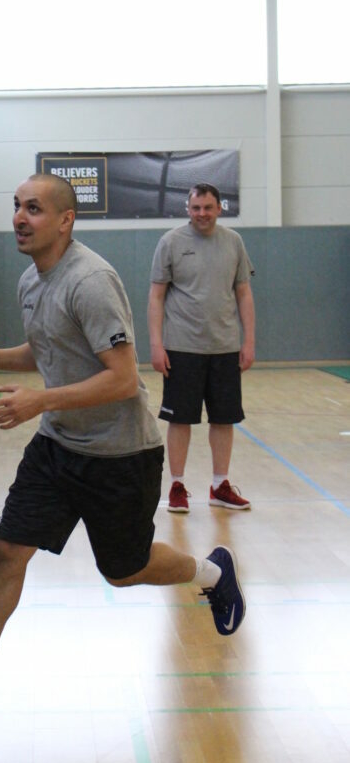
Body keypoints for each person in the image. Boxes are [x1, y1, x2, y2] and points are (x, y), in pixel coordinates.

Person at [0, 173, 246, 713]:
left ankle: (214, 573)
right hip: (57, 448)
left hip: (120, 455)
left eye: (34, 209)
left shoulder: (91, 281)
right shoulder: (30, 281)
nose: (20, 217)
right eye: (16, 205)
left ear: (66, 220)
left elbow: (123, 379)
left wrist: (39, 401)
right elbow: (45, 349)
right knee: (7, 550)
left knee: (124, 570)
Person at [147, 182, 255, 514]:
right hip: (181, 348)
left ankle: (220, 486)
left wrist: (249, 341)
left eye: (208, 208)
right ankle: (177, 486)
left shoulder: (234, 242)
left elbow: (243, 293)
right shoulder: (170, 242)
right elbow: (156, 296)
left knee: (224, 419)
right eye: (196, 208)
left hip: (224, 348)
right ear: (188, 209)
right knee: (179, 420)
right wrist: (156, 344)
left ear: (220, 208)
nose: (202, 214)